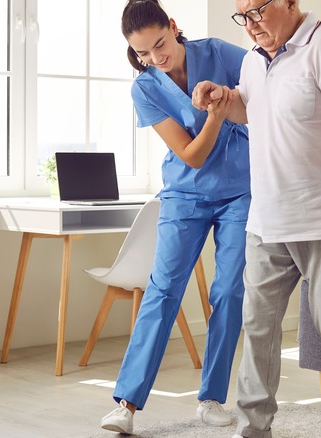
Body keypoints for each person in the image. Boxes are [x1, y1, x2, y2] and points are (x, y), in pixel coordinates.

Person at [192, 1, 321, 437]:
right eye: (243, 16)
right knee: (257, 328)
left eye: (258, 11)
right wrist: (225, 98)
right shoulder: (253, 61)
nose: (251, 24)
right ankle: (253, 427)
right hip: (266, 221)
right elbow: (252, 109)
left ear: (290, 3)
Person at [97, 0, 251, 435]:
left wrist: (231, 103)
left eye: (160, 44)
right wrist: (217, 116)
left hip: (241, 191)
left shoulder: (222, 53)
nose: (156, 58)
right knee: (163, 291)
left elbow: (269, 88)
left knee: (228, 291)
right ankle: (126, 403)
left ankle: (212, 399)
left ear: (174, 27)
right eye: (144, 53)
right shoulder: (144, 87)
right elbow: (191, 155)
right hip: (186, 194)